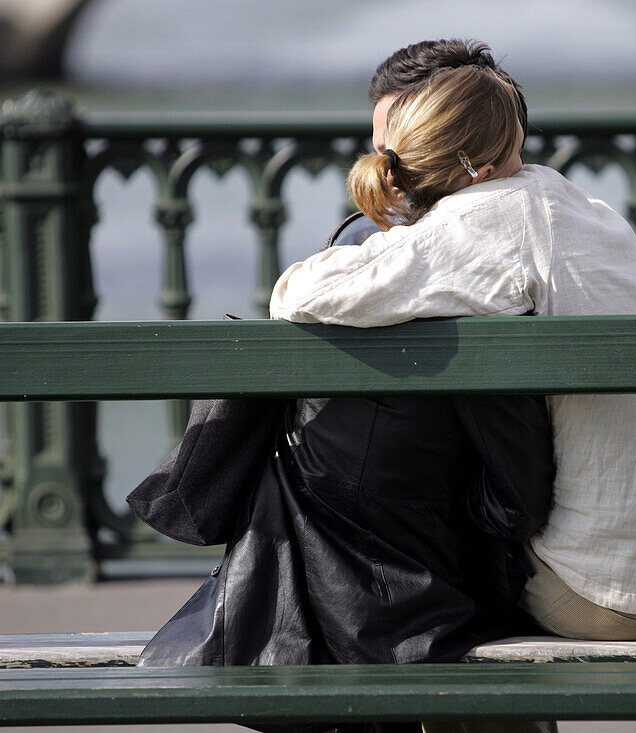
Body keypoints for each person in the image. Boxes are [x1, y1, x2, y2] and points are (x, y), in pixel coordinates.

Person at [271, 44, 636, 641]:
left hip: (614, 596)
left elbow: (299, 296)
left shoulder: (485, 221)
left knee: (424, 568)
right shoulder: (583, 208)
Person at [130, 42, 555, 674]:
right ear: (486, 157)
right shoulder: (491, 263)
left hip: (296, 593)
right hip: (418, 612)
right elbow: (516, 503)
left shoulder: (353, 256)